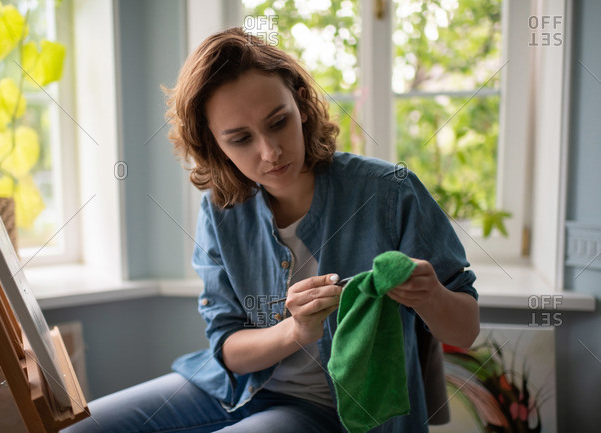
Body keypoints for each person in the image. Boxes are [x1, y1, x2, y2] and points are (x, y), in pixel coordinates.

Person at [63, 27, 479, 433]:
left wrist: (432, 296)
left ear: (301, 103)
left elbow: (465, 328)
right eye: (240, 138)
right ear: (215, 145)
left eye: (278, 122)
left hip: (329, 410)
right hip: (232, 387)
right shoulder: (221, 210)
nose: (270, 152)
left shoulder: (390, 192)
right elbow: (227, 348)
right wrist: (295, 331)